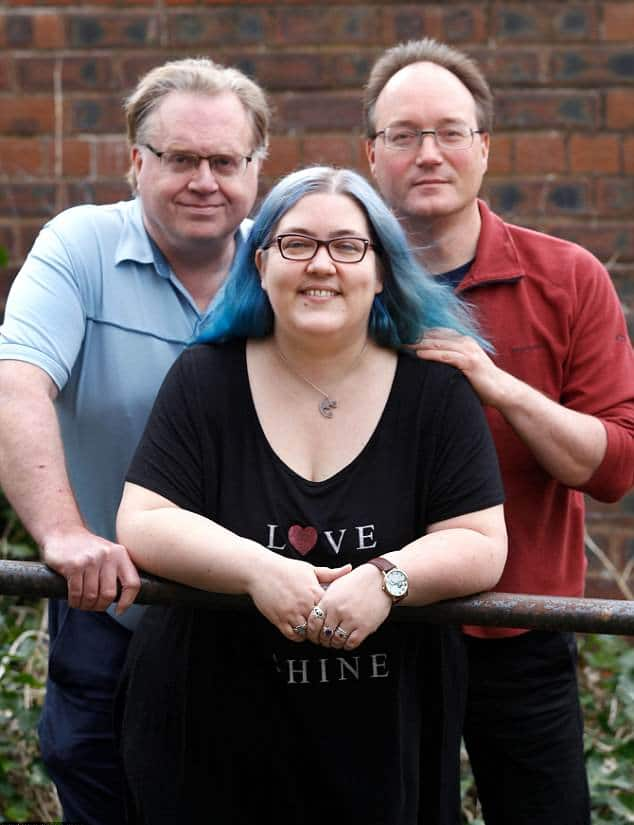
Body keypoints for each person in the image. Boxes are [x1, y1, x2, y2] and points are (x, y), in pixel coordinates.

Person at [115, 165, 508, 825]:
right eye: (296, 243)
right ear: (261, 262)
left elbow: (480, 541)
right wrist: (258, 570)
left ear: (380, 270)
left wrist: (387, 578)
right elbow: (146, 519)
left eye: (348, 246)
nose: (321, 264)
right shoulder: (205, 378)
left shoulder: (434, 391)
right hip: (208, 733)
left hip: (380, 739)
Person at [363, 38, 634, 825]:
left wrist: (498, 384)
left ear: (483, 147)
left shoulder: (568, 277)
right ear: (371, 154)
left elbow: (614, 467)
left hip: (525, 626)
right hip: (381, 626)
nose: (428, 153)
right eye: (404, 135)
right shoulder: (335, 276)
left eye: (449, 132)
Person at [0, 57, 270, 825]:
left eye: (225, 161)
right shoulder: (80, 247)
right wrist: (62, 533)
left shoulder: (287, 260)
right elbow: (15, 384)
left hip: (257, 618)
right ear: (136, 161)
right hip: (110, 602)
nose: (204, 181)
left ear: (256, 168)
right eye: (180, 158)